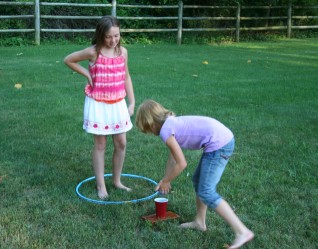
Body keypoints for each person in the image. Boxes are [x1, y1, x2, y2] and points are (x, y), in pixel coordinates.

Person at [135, 99, 254, 249]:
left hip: (219, 144)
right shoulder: (170, 123)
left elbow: (181, 163)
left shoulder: (165, 131)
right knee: (198, 181)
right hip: (219, 139)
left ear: (151, 124)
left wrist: (166, 181)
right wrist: (167, 179)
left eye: (148, 130)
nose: (151, 133)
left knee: (207, 191)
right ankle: (199, 222)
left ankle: (242, 231)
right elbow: (173, 158)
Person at [64, 16, 135, 199]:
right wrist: (87, 73)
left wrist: (132, 102)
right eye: (109, 37)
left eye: (117, 36)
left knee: (121, 142)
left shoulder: (123, 52)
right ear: (101, 35)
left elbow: (126, 77)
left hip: (118, 102)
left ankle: (117, 181)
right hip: (98, 103)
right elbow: (69, 60)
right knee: (100, 144)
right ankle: (101, 185)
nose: (113, 41)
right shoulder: (93, 52)